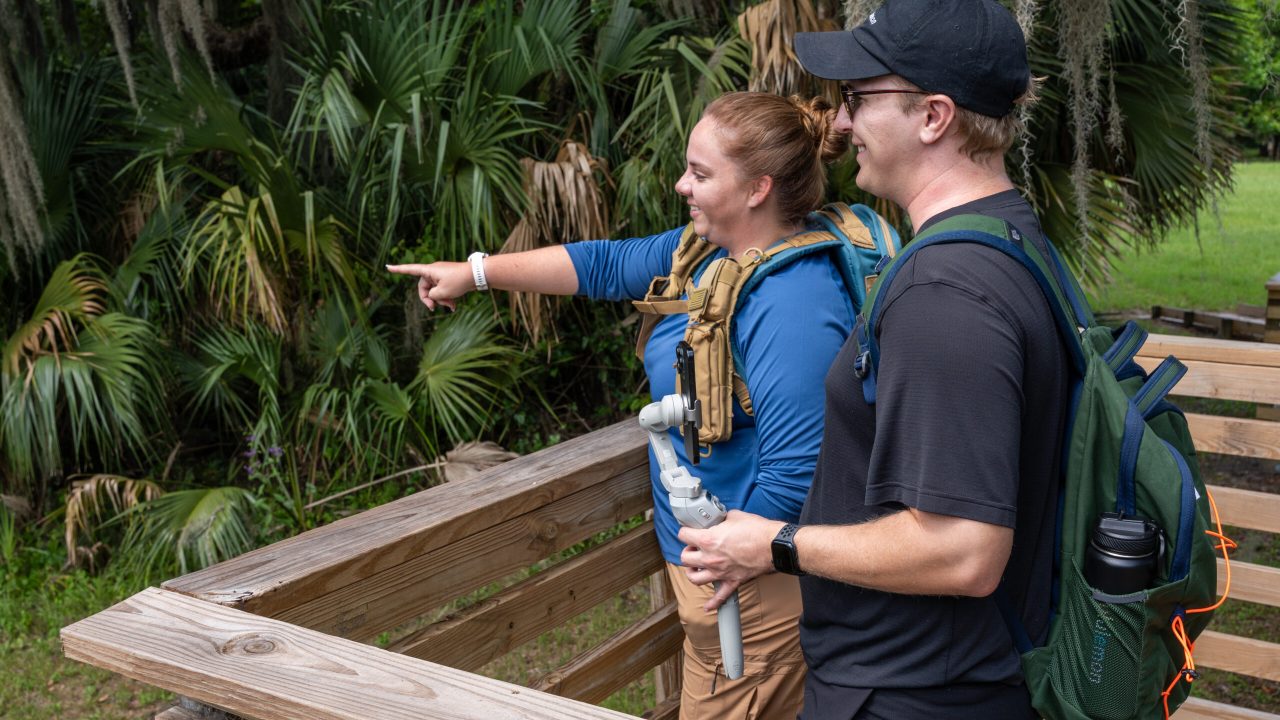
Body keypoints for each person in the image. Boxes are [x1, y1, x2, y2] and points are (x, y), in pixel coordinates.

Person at [388, 91, 859, 719]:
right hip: (712, 576)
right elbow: (604, 264)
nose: (679, 184)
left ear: (757, 189)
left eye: (699, 173)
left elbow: (802, 468)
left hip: (749, 594)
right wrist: (475, 273)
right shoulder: (707, 252)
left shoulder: (792, 303)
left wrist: (724, 564)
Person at [677, 2, 1067, 719]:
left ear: (934, 116)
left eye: (859, 98)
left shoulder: (944, 293)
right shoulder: (1012, 239)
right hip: (955, 674)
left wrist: (777, 544)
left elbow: (964, 551)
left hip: (911, 691)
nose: (843, 123)